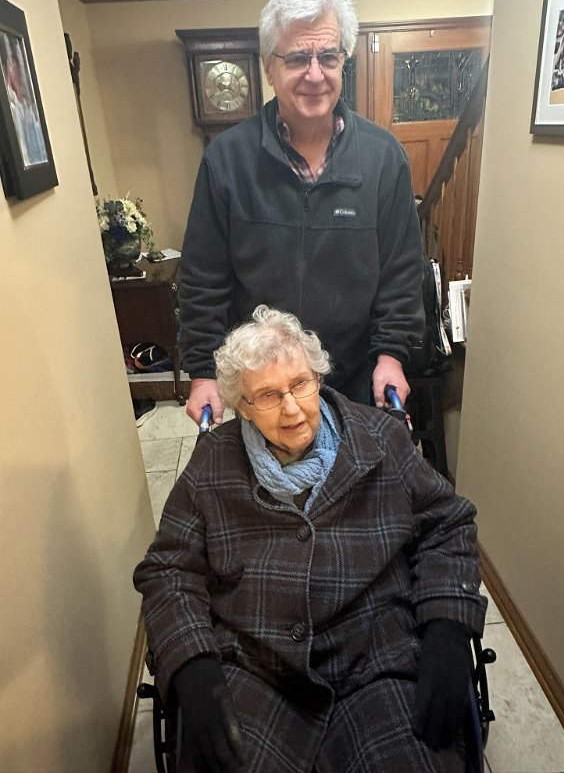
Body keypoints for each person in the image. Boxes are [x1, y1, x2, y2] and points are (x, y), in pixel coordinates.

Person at [134, 305, 487, 773]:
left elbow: (448, 524)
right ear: (242, 407)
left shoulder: (381, 438)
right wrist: (193, 666)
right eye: (268, 395)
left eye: (300, 383)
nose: (292, 407)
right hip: (257, 666)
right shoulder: (212, 465)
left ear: (317, 378)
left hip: (376, 657)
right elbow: (168, 570)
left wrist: (447, 626)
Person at [179, 0, 425, 426]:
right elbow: (203, 280)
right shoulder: (225, 161)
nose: (315, 74)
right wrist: (202, 373)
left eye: (328, 56)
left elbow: (401, 274)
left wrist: (391, 355)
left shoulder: (384, 158)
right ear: (268, 67)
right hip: (264, 389)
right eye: (296, 58)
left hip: (355, 382)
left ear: (343, 61)